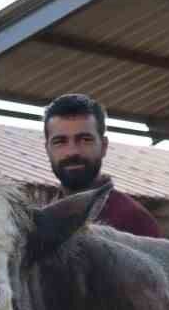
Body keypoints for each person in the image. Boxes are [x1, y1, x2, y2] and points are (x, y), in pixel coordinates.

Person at [42, 94, 162, 237]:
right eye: (60, 142)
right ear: (47, 149)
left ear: (104, 146)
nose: (72, 151)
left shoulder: (135, 221)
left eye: (85, 140)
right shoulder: (40, 221)